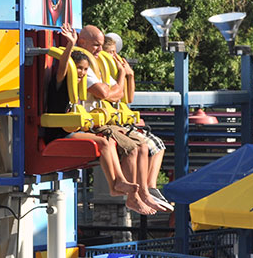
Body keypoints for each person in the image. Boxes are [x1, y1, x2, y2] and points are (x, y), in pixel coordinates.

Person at [54, 24, 169, 214]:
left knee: (139, 146)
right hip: (66, 130)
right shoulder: (64, 82)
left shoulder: (90, 76)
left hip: (85, 125)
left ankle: (137, 190)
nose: (82, 73)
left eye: (84, 70)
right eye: (79, 70)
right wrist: (70, 45)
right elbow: (99, 90)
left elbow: (121, 94)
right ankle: (124, 190)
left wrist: (125, 76)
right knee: (110, 143)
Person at [101, 35, 171, 208]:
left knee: (157, 145)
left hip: (120, 120)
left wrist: (129, 76)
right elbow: (115, 95)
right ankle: (138, 192)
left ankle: (149, 187)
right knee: (137, 147)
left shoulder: (113, 71)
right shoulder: (102, 71)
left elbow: (128, 97)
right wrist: (122, 76)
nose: (114, 57)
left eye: (115, 52)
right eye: (110, 52)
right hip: (111, 122)